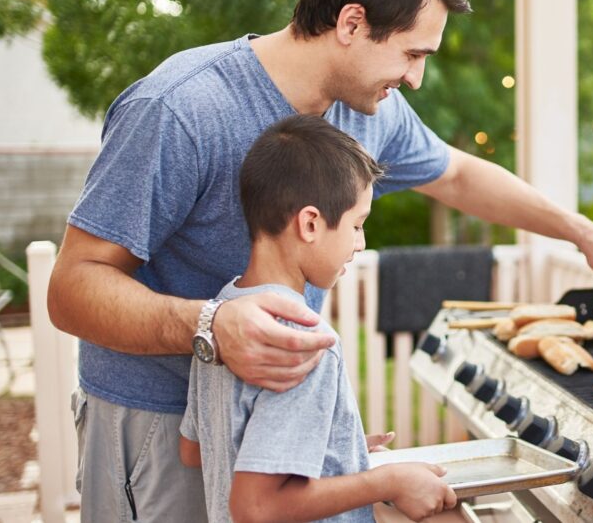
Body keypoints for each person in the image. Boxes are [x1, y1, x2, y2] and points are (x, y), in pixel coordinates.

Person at [49, 0, 593, 521]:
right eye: (412, 53)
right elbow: (72, 289)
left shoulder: (367, 111)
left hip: (264, 433)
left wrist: (583, 232)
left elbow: (457, 175)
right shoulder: (181, 109)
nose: (417, 78)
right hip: (155, 425)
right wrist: (211, 325)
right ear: (351, 23)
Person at [180, 115, 455, 522]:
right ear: (310, 223)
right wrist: (386, 482)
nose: (361, 243)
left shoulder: (223, 315)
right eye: (357, 225)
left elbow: (197, 450)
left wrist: (332, 450)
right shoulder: (304, 340)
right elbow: (255, 507)